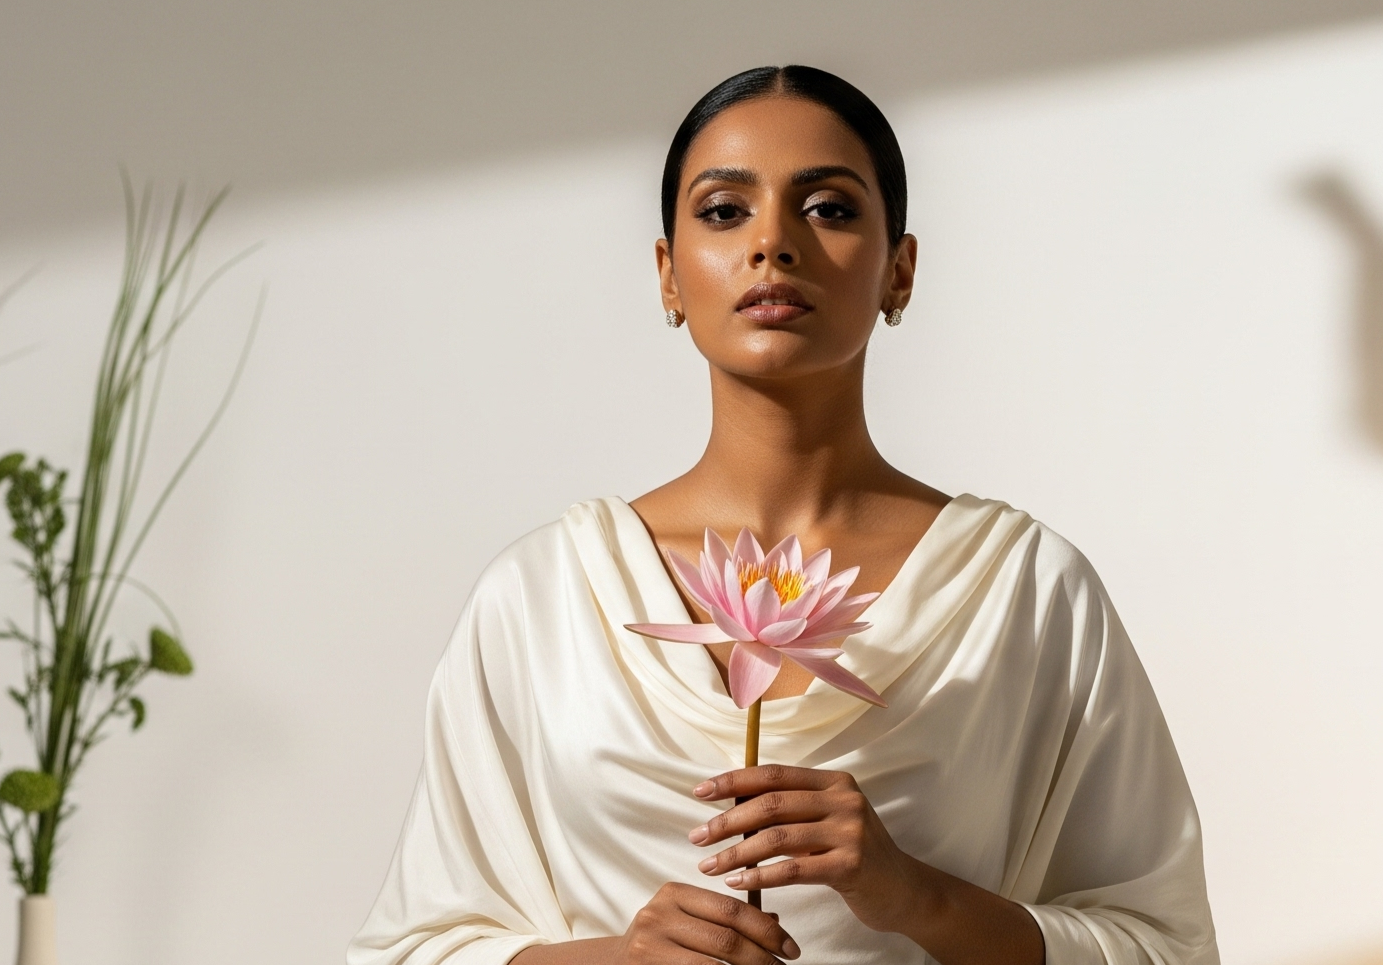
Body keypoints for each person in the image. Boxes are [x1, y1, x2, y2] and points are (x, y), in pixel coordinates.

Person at [349, 66, 1216, 965]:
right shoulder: (540, 599)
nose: (773, 242)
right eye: (724, 211)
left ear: (900, 270)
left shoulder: (1028, 592)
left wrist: (919, 896)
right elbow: (410, 950)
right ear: (667, 274)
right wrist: (620, 959)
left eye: (830, 208)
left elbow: (1167, 948)